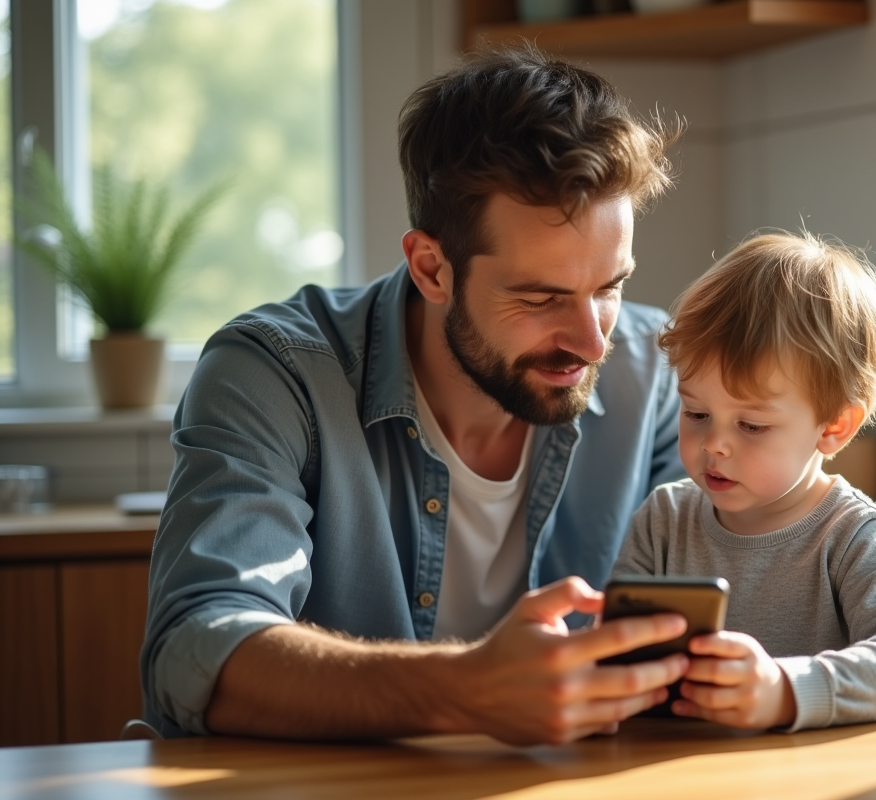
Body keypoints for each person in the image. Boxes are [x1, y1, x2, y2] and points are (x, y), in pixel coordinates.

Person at [140, 47, 693, 744]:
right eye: (540, 297)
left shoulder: (657, 377)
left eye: (610, 287)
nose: (590, 341)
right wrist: (468, 690)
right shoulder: (275, 373)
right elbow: (196, 649)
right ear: (432, 268)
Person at [611, 231, 876, 731]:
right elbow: (619, 652)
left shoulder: (855, 536)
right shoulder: (663, 519)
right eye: (697, 413)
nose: (715, 444)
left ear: (834, 427)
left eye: (751, 425)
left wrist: (786, 691)